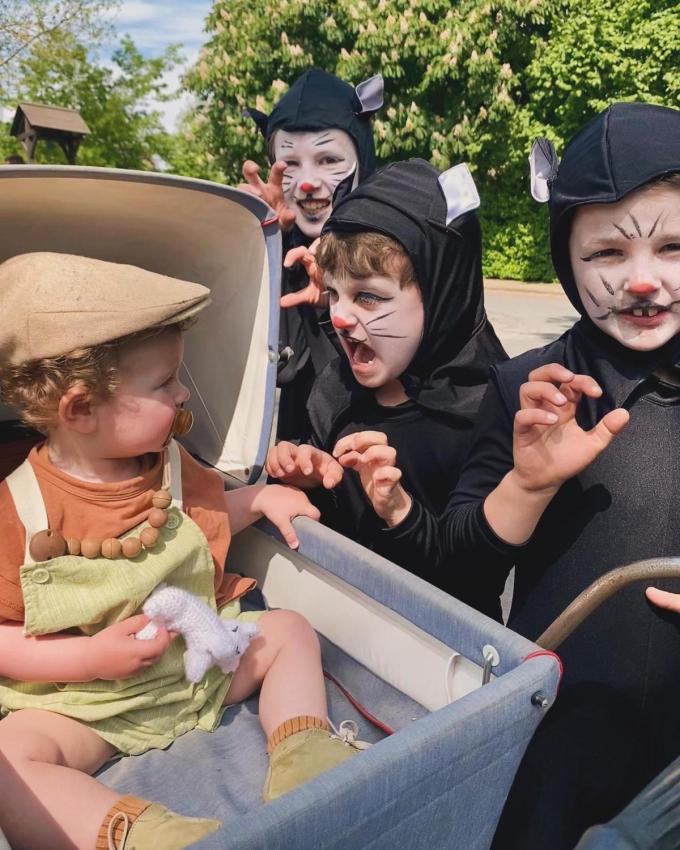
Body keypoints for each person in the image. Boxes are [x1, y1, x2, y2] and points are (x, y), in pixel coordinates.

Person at [340, 103, 680, 848]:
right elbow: (459, 569)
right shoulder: (530, 388)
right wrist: (526, 486)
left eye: (674, 247)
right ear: (567, 258)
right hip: (553, 741)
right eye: (608, 255)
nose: (645, 283)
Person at [0, 252, 365, 850]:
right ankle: (147, 836)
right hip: (90, 702)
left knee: (291, 631)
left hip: (194, 666)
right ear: (81, 409)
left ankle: (306, 762)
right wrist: (88, 658)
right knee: (11, 761)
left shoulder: (169, 463)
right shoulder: (18, 509)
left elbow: (202, 516)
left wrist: (259, 500)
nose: (182, 393)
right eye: (165, 382)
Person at [266, 159, 506, 603]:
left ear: (440, 296)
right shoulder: (335, 387)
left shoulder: (489, 409)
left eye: (368, 297)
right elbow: (326, 528)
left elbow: (476, 574)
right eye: (334, 293)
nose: (337, 316)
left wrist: (398, 511)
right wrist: (310, 478)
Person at [240, 67, 383, 441]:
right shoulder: (284, 246)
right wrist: (269, 243)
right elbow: (277, 367)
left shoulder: (400, 240)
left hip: (381, 455)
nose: (306, 182)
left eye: (328, 160)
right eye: (289, 164)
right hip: (298, 451)